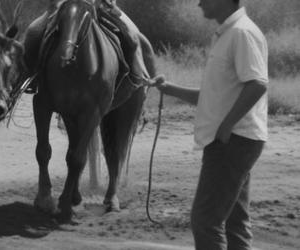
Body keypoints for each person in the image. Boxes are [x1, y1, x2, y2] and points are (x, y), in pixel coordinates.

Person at [150, 0, 268, 249]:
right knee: (235, 221)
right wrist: (169, 88)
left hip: (232, 141)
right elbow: (213, 95)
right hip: (236, 141)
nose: (199, 2)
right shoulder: (229, 34)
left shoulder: (241, 33)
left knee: (205, 220)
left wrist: (226, 128)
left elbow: (257, 84)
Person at [24, 0, 156, 94]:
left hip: (100, 6)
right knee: (34, 31)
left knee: (130, 38)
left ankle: (132, 78)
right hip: (65, 5)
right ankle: (31, 76)